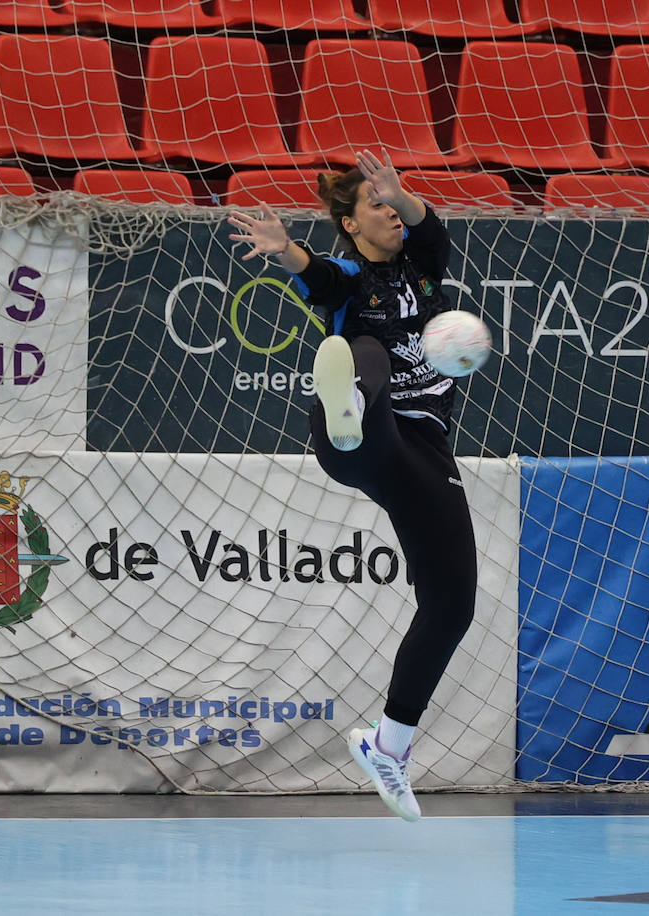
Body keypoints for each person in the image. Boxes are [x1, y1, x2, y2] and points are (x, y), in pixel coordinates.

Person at [227, 149, 477, 822]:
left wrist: (400, 191)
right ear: (349, 222)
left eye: (393, 205)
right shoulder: (348, 275)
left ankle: (389, 746)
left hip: (423, 449)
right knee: (362, 349)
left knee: (453, 605)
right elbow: (313, 273)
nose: (391, 214)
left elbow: (431, 234)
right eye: (376, 207)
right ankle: (348, 413)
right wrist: (284, 250)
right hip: (370, 434)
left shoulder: (424, 272)